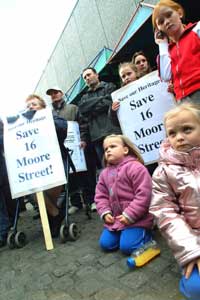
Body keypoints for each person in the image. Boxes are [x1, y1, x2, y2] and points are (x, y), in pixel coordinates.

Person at [150, 103, 200, 300]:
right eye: (172, 133)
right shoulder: (164, 171)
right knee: (196, 288)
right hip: (193, 239)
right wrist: (192, 250)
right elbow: (164, 212)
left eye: (187, 129)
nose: (179, 137)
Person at [95, 134, 153, 255]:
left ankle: (147, 234)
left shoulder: (136, 167)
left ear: (125, 150)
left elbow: (144, 195)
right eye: (106, 149)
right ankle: (125, 234)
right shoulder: (104, 174)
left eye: (113, 146)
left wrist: (130, 214)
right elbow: (100, 196)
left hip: (137, 218)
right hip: (116, 220)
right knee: (105, 244)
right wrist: (105, 212)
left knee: (127, 248)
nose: (108, 150)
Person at [46, 86, 96, 213]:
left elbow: (83, 124)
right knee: (69, 176)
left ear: (62, 93)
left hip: (78, 146)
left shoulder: (73, 108)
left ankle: (91, 200)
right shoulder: (48, 114)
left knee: (84, 174)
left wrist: (84, 139)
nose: (54, 95)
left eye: (56, 92)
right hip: (61, 150)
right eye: (51, 94)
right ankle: (76, 203)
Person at [25, 94, 68, 237]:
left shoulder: (52, 117)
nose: (30, 107)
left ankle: (51, 216)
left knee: (50, 186)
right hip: (34, 167)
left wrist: (43, 119)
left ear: (43, 107)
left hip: (54, 164)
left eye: (34, 104)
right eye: (28, 106)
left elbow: (63, 128)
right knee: (32, 189)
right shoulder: (21, 126)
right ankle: (55, 213)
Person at [152, 0, 200, 103]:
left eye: (169, 15)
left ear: (180, 13)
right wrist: (162, 44)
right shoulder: (165, 51)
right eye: (161, 22)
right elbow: (166, 75)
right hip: (182, 101)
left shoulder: (196, 30)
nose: (166, 22)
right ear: (158, 30)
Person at [79, 68, 121, 170]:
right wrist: (102, 101)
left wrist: (92, 107)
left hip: (113, 132)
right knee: (107, 169)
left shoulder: (110, 86)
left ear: (97, 75)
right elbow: (83, 110)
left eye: (88, 75)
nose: (87, 78)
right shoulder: (84, 98)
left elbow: (110, 101)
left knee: (122, 164)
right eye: (85, 77)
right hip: (97, 138)